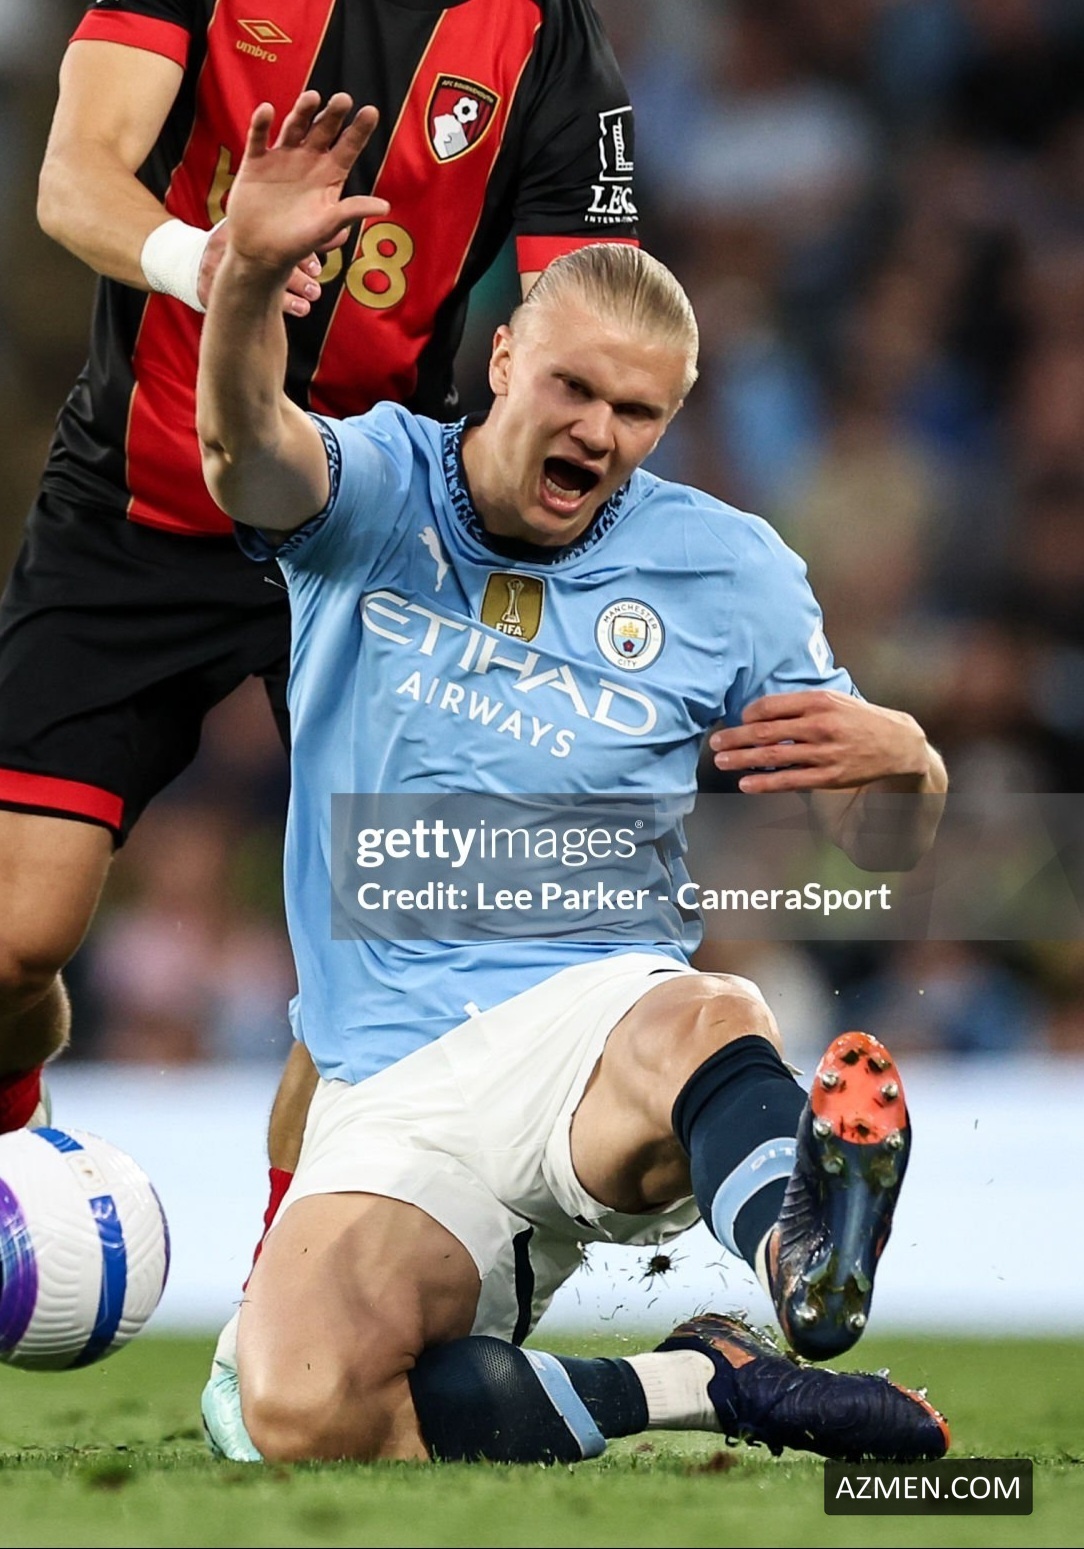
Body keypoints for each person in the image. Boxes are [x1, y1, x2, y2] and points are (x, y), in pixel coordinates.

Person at [194, 92, 950, 1466]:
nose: (599, 431)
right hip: (391, 1076)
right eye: (574, 389)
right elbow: (245, 446)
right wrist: (246, 274)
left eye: (638, 411)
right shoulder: (376, 489)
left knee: (703, 1006)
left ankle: (800, 1248)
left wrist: (911, 764)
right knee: (300, 1404)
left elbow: (876, 841)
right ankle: (708, 1379)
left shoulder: (727, 570)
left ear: (670, 420)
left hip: (595, 1024)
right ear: (501, 358)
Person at [0, 0, 639, 1221]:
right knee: (12, 944)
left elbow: (590, 313)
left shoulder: (550, 39)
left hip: (369, 529)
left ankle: (281, 1292)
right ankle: (12, 1114)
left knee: (382, 954)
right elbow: (74, 178)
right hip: (138, 508)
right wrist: (216, 261)